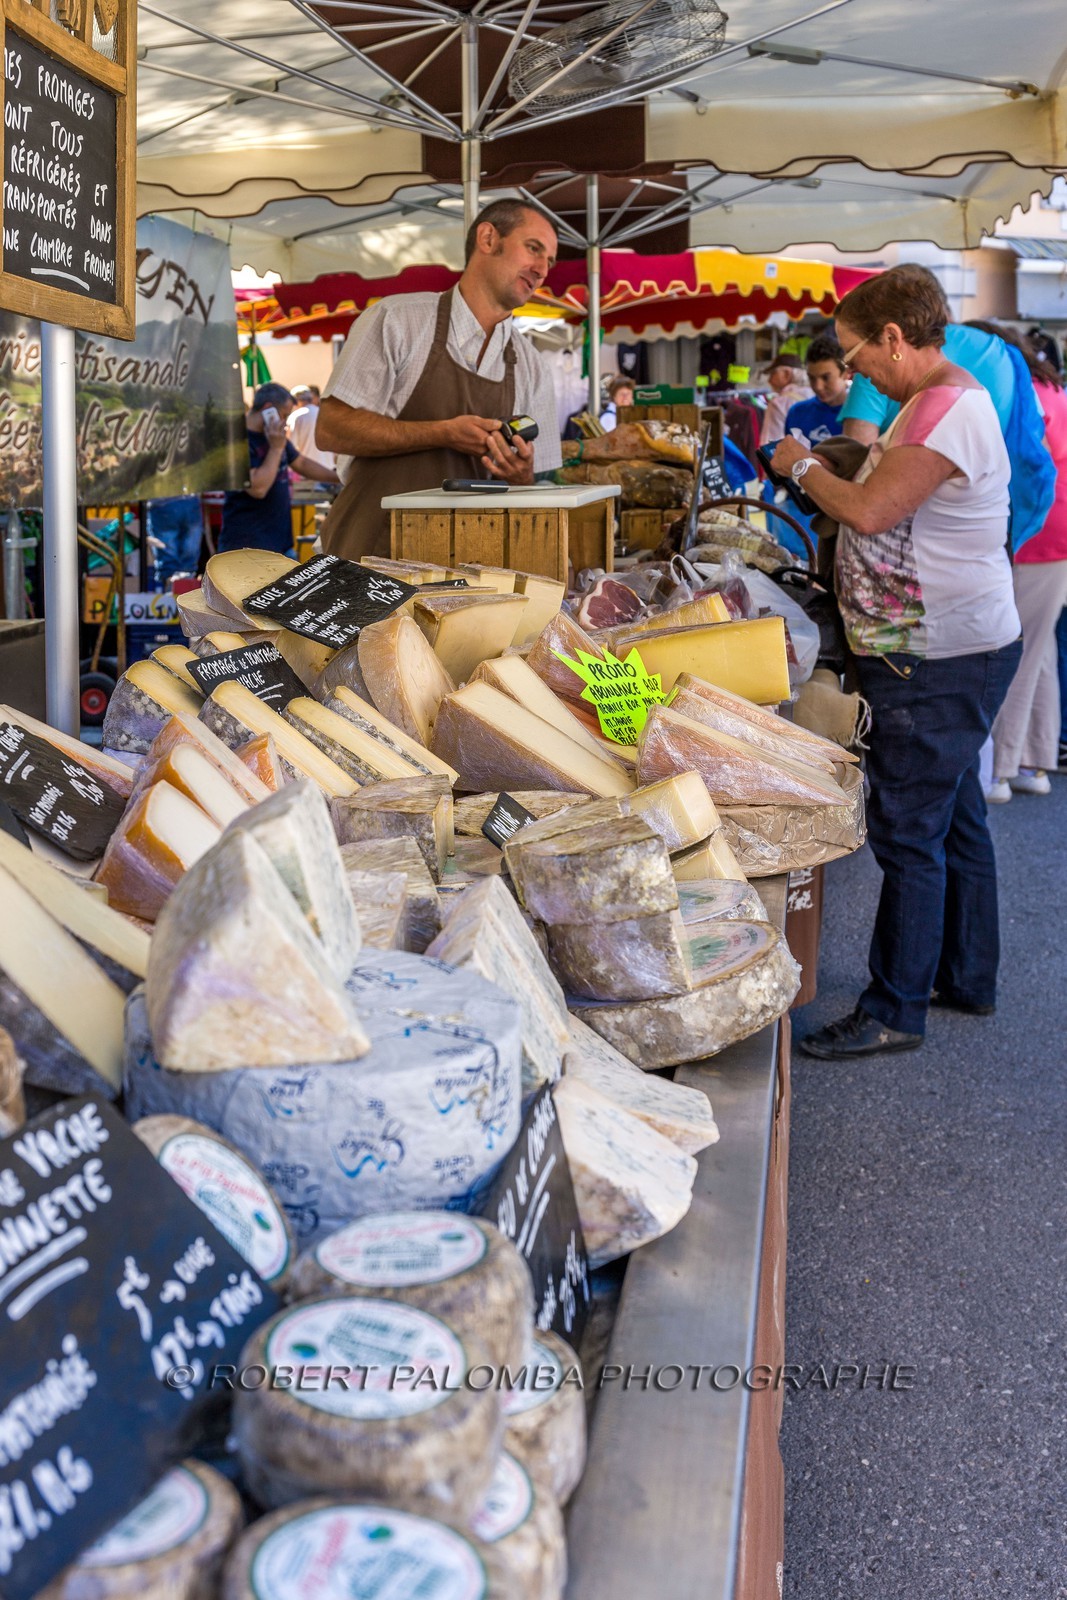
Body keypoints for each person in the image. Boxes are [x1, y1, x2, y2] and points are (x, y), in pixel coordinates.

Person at [771, 264, 1022, 1059]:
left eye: (855, 357)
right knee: (952, 819)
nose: (853, 375)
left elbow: (874, 510)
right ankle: (965, 975)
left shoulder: (944, 408)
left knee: (910, 832)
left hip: (935, 652)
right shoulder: (933, 401)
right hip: (948, 643)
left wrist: (798, 468)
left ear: (892, 337)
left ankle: (893, 1008)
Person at [315, 199, 563, 560]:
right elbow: (331, 429)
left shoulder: (531, 364)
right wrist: (442, 433)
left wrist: (520, 475)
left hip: (470, 571)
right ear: (489, 238)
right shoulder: (396, 321)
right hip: (370, 558)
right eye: (534, 249)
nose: (542, 270)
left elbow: (538, 488)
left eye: (550, 261)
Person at [840, 319, 1055, 551]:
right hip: (995, 530)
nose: (850, 370)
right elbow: (1040, 446)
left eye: (851, 352)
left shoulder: (885, 357)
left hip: (911, 542)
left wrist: (805, 467)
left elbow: (859, 466)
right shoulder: (1001, 353)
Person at [976, 326, 1067, 800]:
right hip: (1057, 533)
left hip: (1036, 531)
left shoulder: (1020, 390)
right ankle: (1033, 763)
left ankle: (1000, 770)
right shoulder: (1052, 386)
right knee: (1041, 652)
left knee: (1018, 652)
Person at [219, 383, 338, 554]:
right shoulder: (234, 441)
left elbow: (301, 463)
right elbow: (259, 488)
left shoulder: (274, 436)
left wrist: (339, 477)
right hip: (246, 547)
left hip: (281, 544)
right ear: (268, 409)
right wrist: (275, 449)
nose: (285, 422)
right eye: (284, 415)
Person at [783, 334, 850, 445]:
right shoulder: (796, 413)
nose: (818, 386)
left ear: (845, 374)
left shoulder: (861, 416)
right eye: (812, 378)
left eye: (826, 378)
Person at [147, 496, 203, 590]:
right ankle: (183, 589)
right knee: (187, 563)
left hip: (163, 501)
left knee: (169, 563)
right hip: (190, 498)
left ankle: (169, 593)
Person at [758, 353, 813, 446]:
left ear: (786, 374)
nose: (769, 380)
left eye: (773, 373)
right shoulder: (815, 396)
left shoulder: (779, 403)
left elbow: (769, 446)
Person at [287, 385, 337, 477]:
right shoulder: (325, 414)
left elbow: (291, 447)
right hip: (328, 471)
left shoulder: (296, 417)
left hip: (307, 473)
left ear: (295, 401)